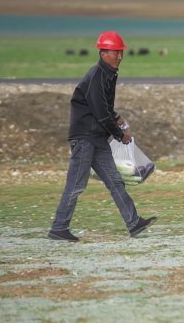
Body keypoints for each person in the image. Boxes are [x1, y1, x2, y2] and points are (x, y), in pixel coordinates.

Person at [48, 31, 156, 241]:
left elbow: (103, 107)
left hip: (97, 137)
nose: (120, 57)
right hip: (85, 138)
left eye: (121, 52)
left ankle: (134, 223)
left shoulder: (107, 75)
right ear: (103, 52)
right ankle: (59, 228)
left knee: (116, 182)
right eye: (116, 52)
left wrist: (115, 117)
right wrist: (120, 134)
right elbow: (100, 111)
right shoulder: (97, 75)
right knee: (76, 184)